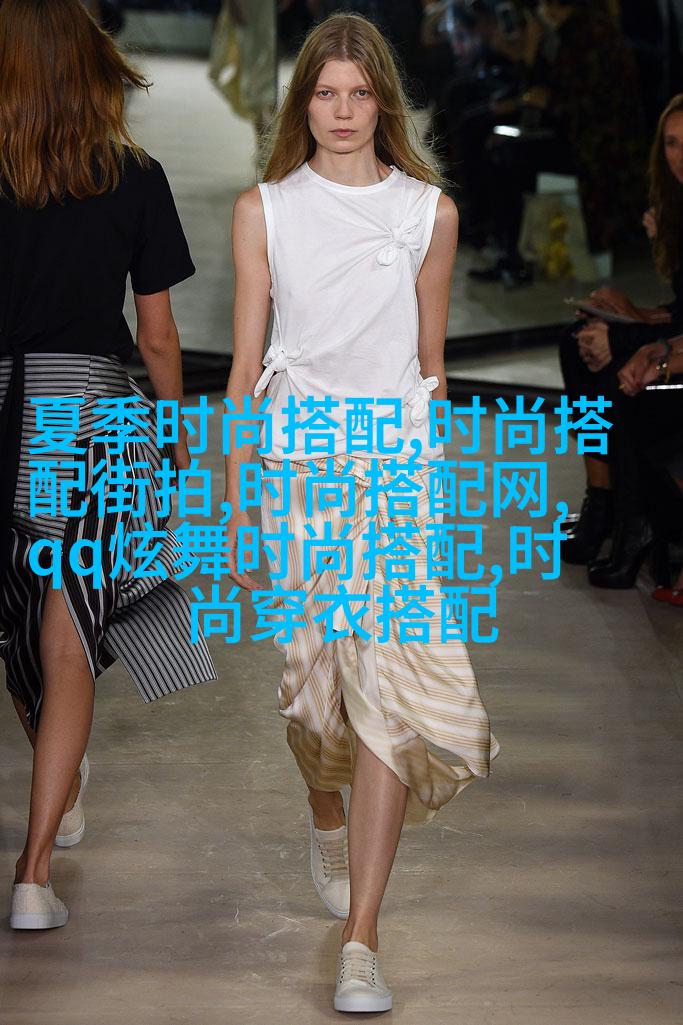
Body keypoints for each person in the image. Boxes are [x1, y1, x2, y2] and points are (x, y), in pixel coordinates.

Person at [223, 12, 499, 1014]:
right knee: (310, 694)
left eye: (359, 93)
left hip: (392, 474)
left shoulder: (428, 213)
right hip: (297, 470)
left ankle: (361, 937)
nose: (341, 112)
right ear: (302, 104)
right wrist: (236, 495)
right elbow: (245, 367)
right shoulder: (265, 210)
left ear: (385, 101)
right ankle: (321, 806)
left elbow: (431, 365)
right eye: (324, 94)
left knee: (384, 691)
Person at [0, 0, 216, 930]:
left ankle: (59, 785)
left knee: (18, 626)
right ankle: (34, 873)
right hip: (87, 417)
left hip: (5, 418)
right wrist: (172, 437)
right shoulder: (133, 174)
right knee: (69, 634)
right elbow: (157, 336)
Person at [559, 93, 683, 583]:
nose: (679, 155)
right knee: (578, 338)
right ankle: (602, 498)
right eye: (671, 143)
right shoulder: (674, 201)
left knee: (610, 353)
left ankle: (631, 519)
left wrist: (635, 333)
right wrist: (633, 311)